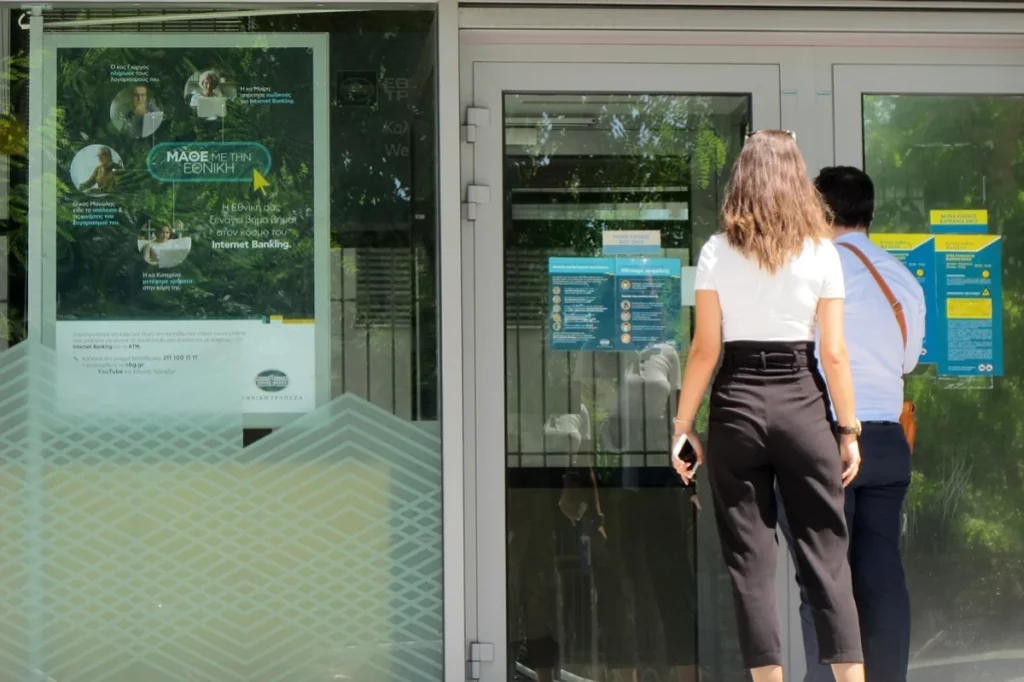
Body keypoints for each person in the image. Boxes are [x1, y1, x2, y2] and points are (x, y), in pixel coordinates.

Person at [671, 130, 865, 682]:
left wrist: (683, 424)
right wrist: (848, 430)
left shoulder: (717, 250)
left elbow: (705, 349)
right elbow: (834, 352)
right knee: (826, 560)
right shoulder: (822, 252)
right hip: (801, 398)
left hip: (737, 402)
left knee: (750, 564)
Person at [779, 166, 925, 682]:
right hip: (885, 440)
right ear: (869, 214)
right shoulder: (900, 278)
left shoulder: (805, 273)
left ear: (818, 212)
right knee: (881, 574)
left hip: (825, 440)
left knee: (824, 580)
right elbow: (907, 361)